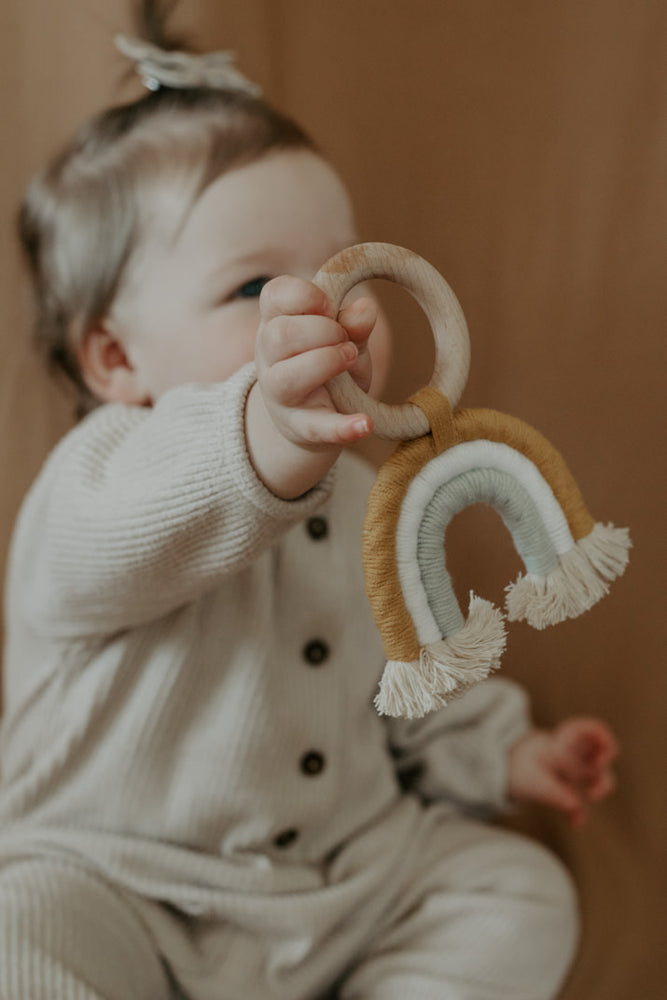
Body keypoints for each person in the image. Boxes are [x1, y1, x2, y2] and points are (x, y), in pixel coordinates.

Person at [0, 6, 618, 999]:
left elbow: (419, 670)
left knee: (516, 889)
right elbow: (168, 510)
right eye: (253, 289)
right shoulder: (93, 482)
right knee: (18, 932)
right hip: (127, 885)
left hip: (341, 882)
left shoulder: (371, 498)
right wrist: (266, 429)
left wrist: (505, 752)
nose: (319, 314)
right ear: (115, 358)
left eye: (338, 268)